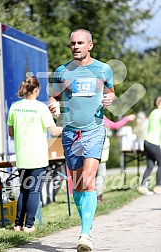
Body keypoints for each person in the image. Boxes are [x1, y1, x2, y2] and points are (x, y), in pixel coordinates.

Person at [49, 28, 115, 251]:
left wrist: (109, 98)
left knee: (88, 180)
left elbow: (111, 92)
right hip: (70, 133)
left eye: (80, 43)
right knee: (77, 186)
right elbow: (53, 95)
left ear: (90, 45)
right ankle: (86, 222)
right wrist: (54, 104)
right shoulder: (62, 71)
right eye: (72, 43)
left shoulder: (103, 69)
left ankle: (85, 234)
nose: (75, 46)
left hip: (94, 131)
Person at [7, 76, 62, 233]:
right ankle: (29, 225)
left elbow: (11, 133)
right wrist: (68, 127)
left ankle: (17, 225)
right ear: (37, 89)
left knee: (24, 190)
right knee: (34, 191)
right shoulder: (41, 108)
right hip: (37, 156)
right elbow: (53, 131)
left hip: (22, 157)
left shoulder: (14, 107)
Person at [96, 114, 136, 202]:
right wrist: (127, 118)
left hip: (96, 151)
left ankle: (92, 195)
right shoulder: (99, 116)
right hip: (100, 152)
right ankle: (98, 196)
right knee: (101, 174)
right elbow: (115, 125)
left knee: (92, 174)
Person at [138, 96, 161, 195]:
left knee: (150, 165)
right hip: (154, 142)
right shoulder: (159, 113)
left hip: (147, 141)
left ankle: (143, 186)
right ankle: (158, 186)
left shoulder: (153, 113)